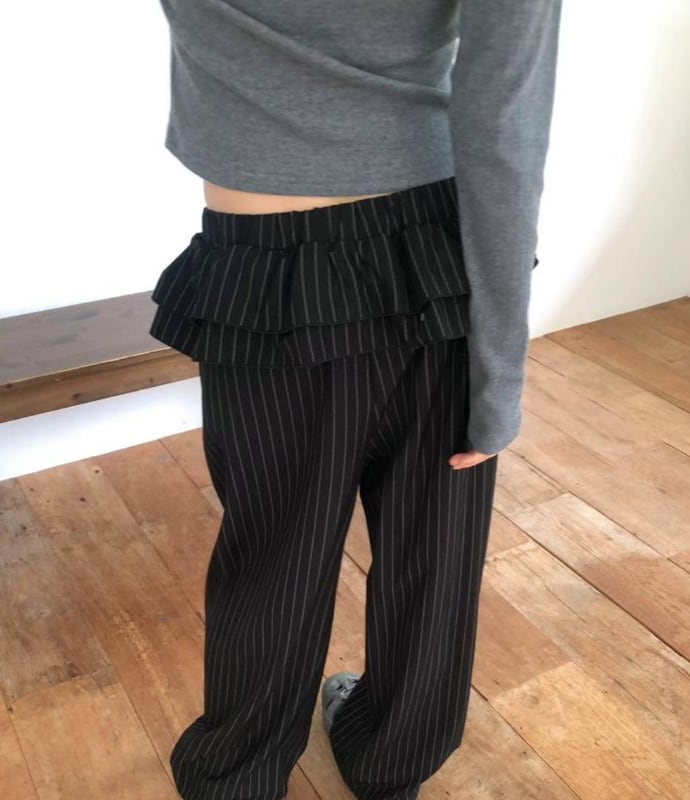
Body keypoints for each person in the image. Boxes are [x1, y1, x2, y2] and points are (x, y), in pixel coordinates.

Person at [148, 1, 561, 798]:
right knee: (434, 552)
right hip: (436, 262)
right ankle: (393, 761)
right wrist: (501, 370)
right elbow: (506, 122)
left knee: (276, 555)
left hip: (271, 266)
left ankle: (237, 777)